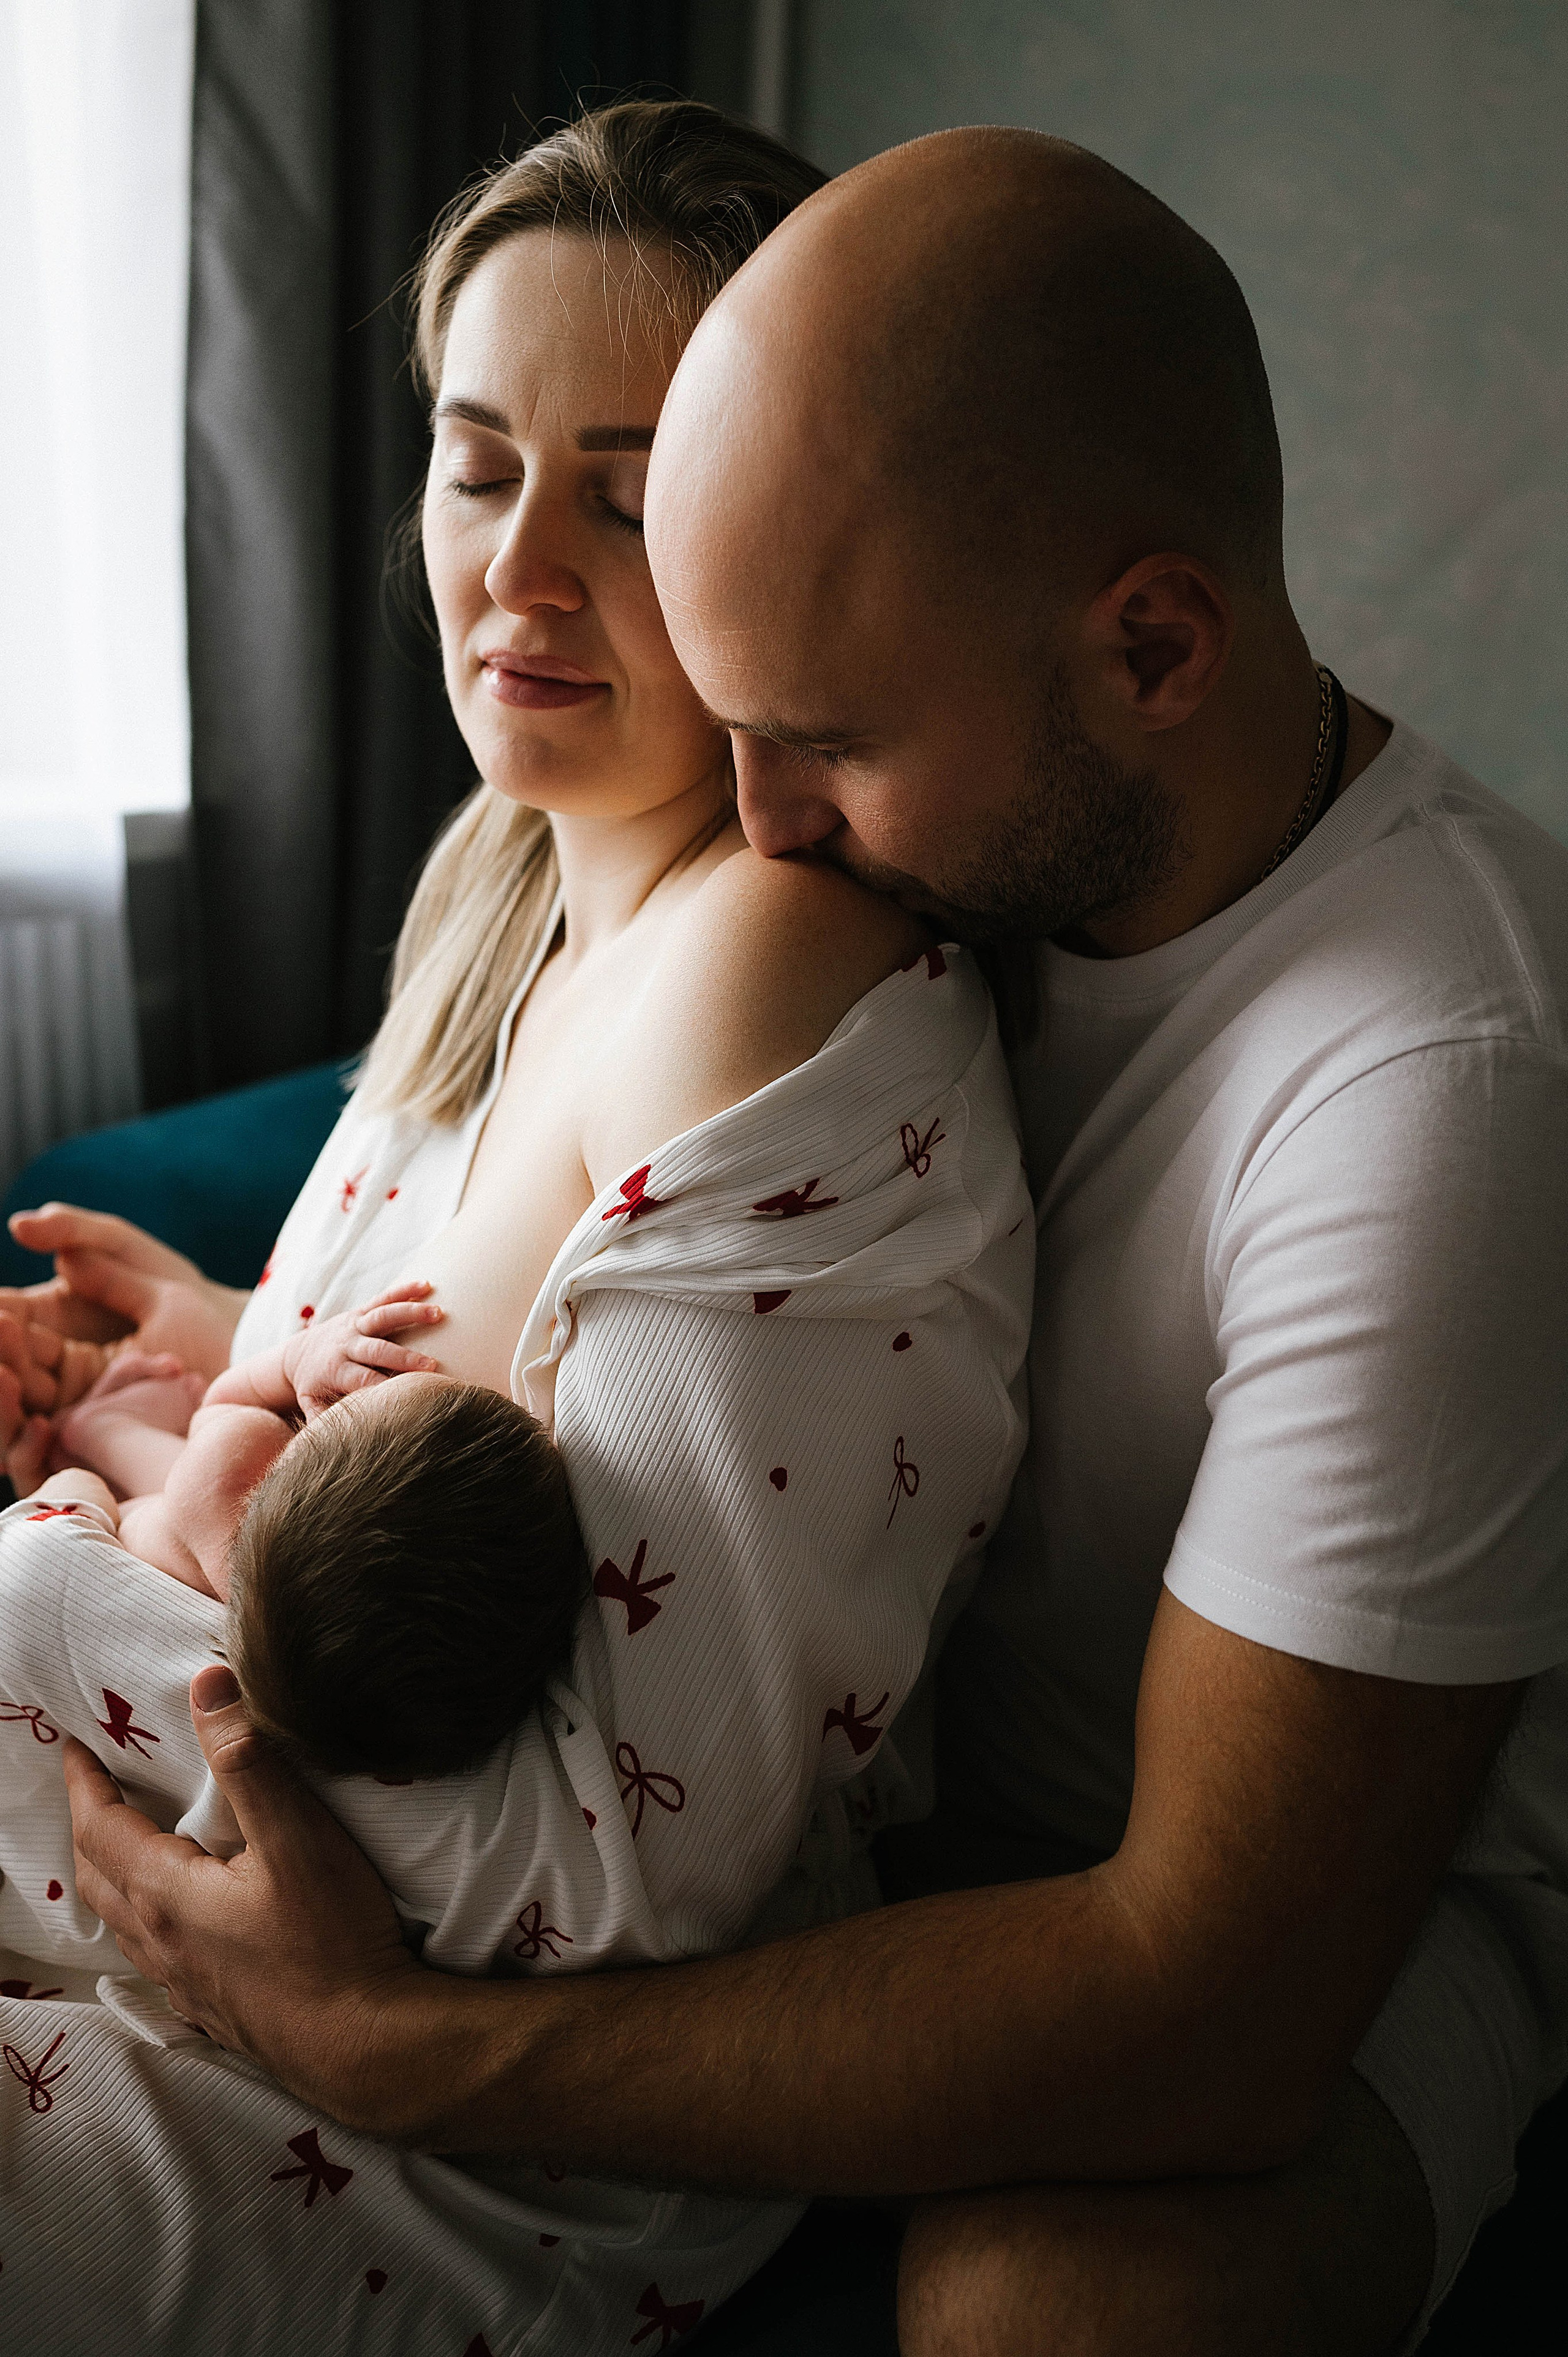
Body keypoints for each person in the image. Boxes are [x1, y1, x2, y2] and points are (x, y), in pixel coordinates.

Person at [12, 121, 1568, 2357]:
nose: (752, 821)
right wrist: (251, 1352)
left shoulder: (1434, 1081)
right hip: (890, 1766)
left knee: (1045, 2306)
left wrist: (388, 2043)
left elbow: (1202, 1985)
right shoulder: (932, 861)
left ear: (1151, 648)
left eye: (817, 738)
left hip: (1328, 1898)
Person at [0, 103, 1033, 2353]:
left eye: (633, 488)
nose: (519, 567)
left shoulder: (764, 968)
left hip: (483, 2136)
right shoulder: (507, 874)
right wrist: (172, 1359)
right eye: (480, 464)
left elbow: (615, 1874)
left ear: (798, 523)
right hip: (200, 1902)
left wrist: (58, 1598)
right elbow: (385, 1412)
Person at [13, 1286, 585, 1775]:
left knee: (121, 1475)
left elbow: (219, 1403)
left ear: (303, 1453)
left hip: (134, 1524)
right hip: (196, 1541)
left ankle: (96, 1430)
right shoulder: (355, 1685)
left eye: (353, 1409)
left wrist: (296, 1362)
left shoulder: (231, 1468)